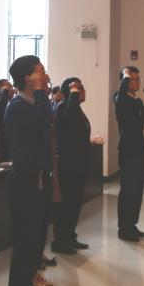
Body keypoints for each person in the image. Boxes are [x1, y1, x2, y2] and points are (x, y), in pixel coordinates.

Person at [3, 55, 56, 286]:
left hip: (39, 180)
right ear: (27, 78)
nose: (45, 76)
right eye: (40, 72)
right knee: (24, 248)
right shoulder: (17, 106)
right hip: (25, 183)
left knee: (35, 246)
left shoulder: (34, 104)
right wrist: (41, 92)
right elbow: (46, 117)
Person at [52, 77, 96, 254]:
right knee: (67, 204)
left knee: (75, 204)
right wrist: (73, 94)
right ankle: (60, 241)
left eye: (81, 89)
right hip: (68, 165)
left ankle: (70, 236)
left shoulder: (75, 108)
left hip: (78, 164)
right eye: (79, 89)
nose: (83, 91)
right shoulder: (63, 106)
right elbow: (67, 120)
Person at [113, 66, 144, 242]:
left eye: (139, 79)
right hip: (127, 150)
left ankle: (132, 225)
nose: (138, 82)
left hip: (138, 148)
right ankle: (123, 229)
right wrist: (125, 75)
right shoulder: (119, 98)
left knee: (137, 189)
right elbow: (122, 93)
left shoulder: (137, 101)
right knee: (128, 190)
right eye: (134, 79)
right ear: (125, 80)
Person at [0, 79, 14, 160]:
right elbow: (1, 108)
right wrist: (5, 93)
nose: (12, 89)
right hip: (3, 144)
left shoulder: (12, 102)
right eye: (9, 86)